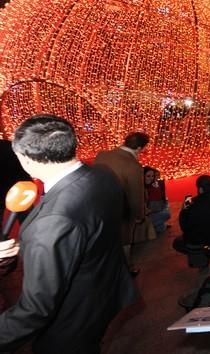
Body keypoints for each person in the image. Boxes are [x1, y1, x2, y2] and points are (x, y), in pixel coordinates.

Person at [0, 114, 137, 353]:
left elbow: (34, 310)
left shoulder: (51, 223)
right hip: (104, 294)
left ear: (26, 159)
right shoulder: (103, 174)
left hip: (70, 321)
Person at [94, 131, 150, 276]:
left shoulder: (102, 154)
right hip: (119, 209)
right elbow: (135, 195)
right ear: (139, 148)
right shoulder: (133, 166)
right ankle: (126, 269)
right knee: (125, 240)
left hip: (96, 205)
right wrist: (139, 215)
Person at [174, 175, 210, 250]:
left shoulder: (189, 201)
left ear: (200, 189)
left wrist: (183, 210)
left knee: (177, 242)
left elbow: (183, 224)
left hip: (197, 242)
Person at [143, 166, 171, 234]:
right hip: (145, 216)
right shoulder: (142, 188)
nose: (151, 178)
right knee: (166, 214)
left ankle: (153, 227)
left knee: (161, 228)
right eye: (148, 176)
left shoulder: (154, 185)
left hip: (154, 211)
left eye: (152, 176)